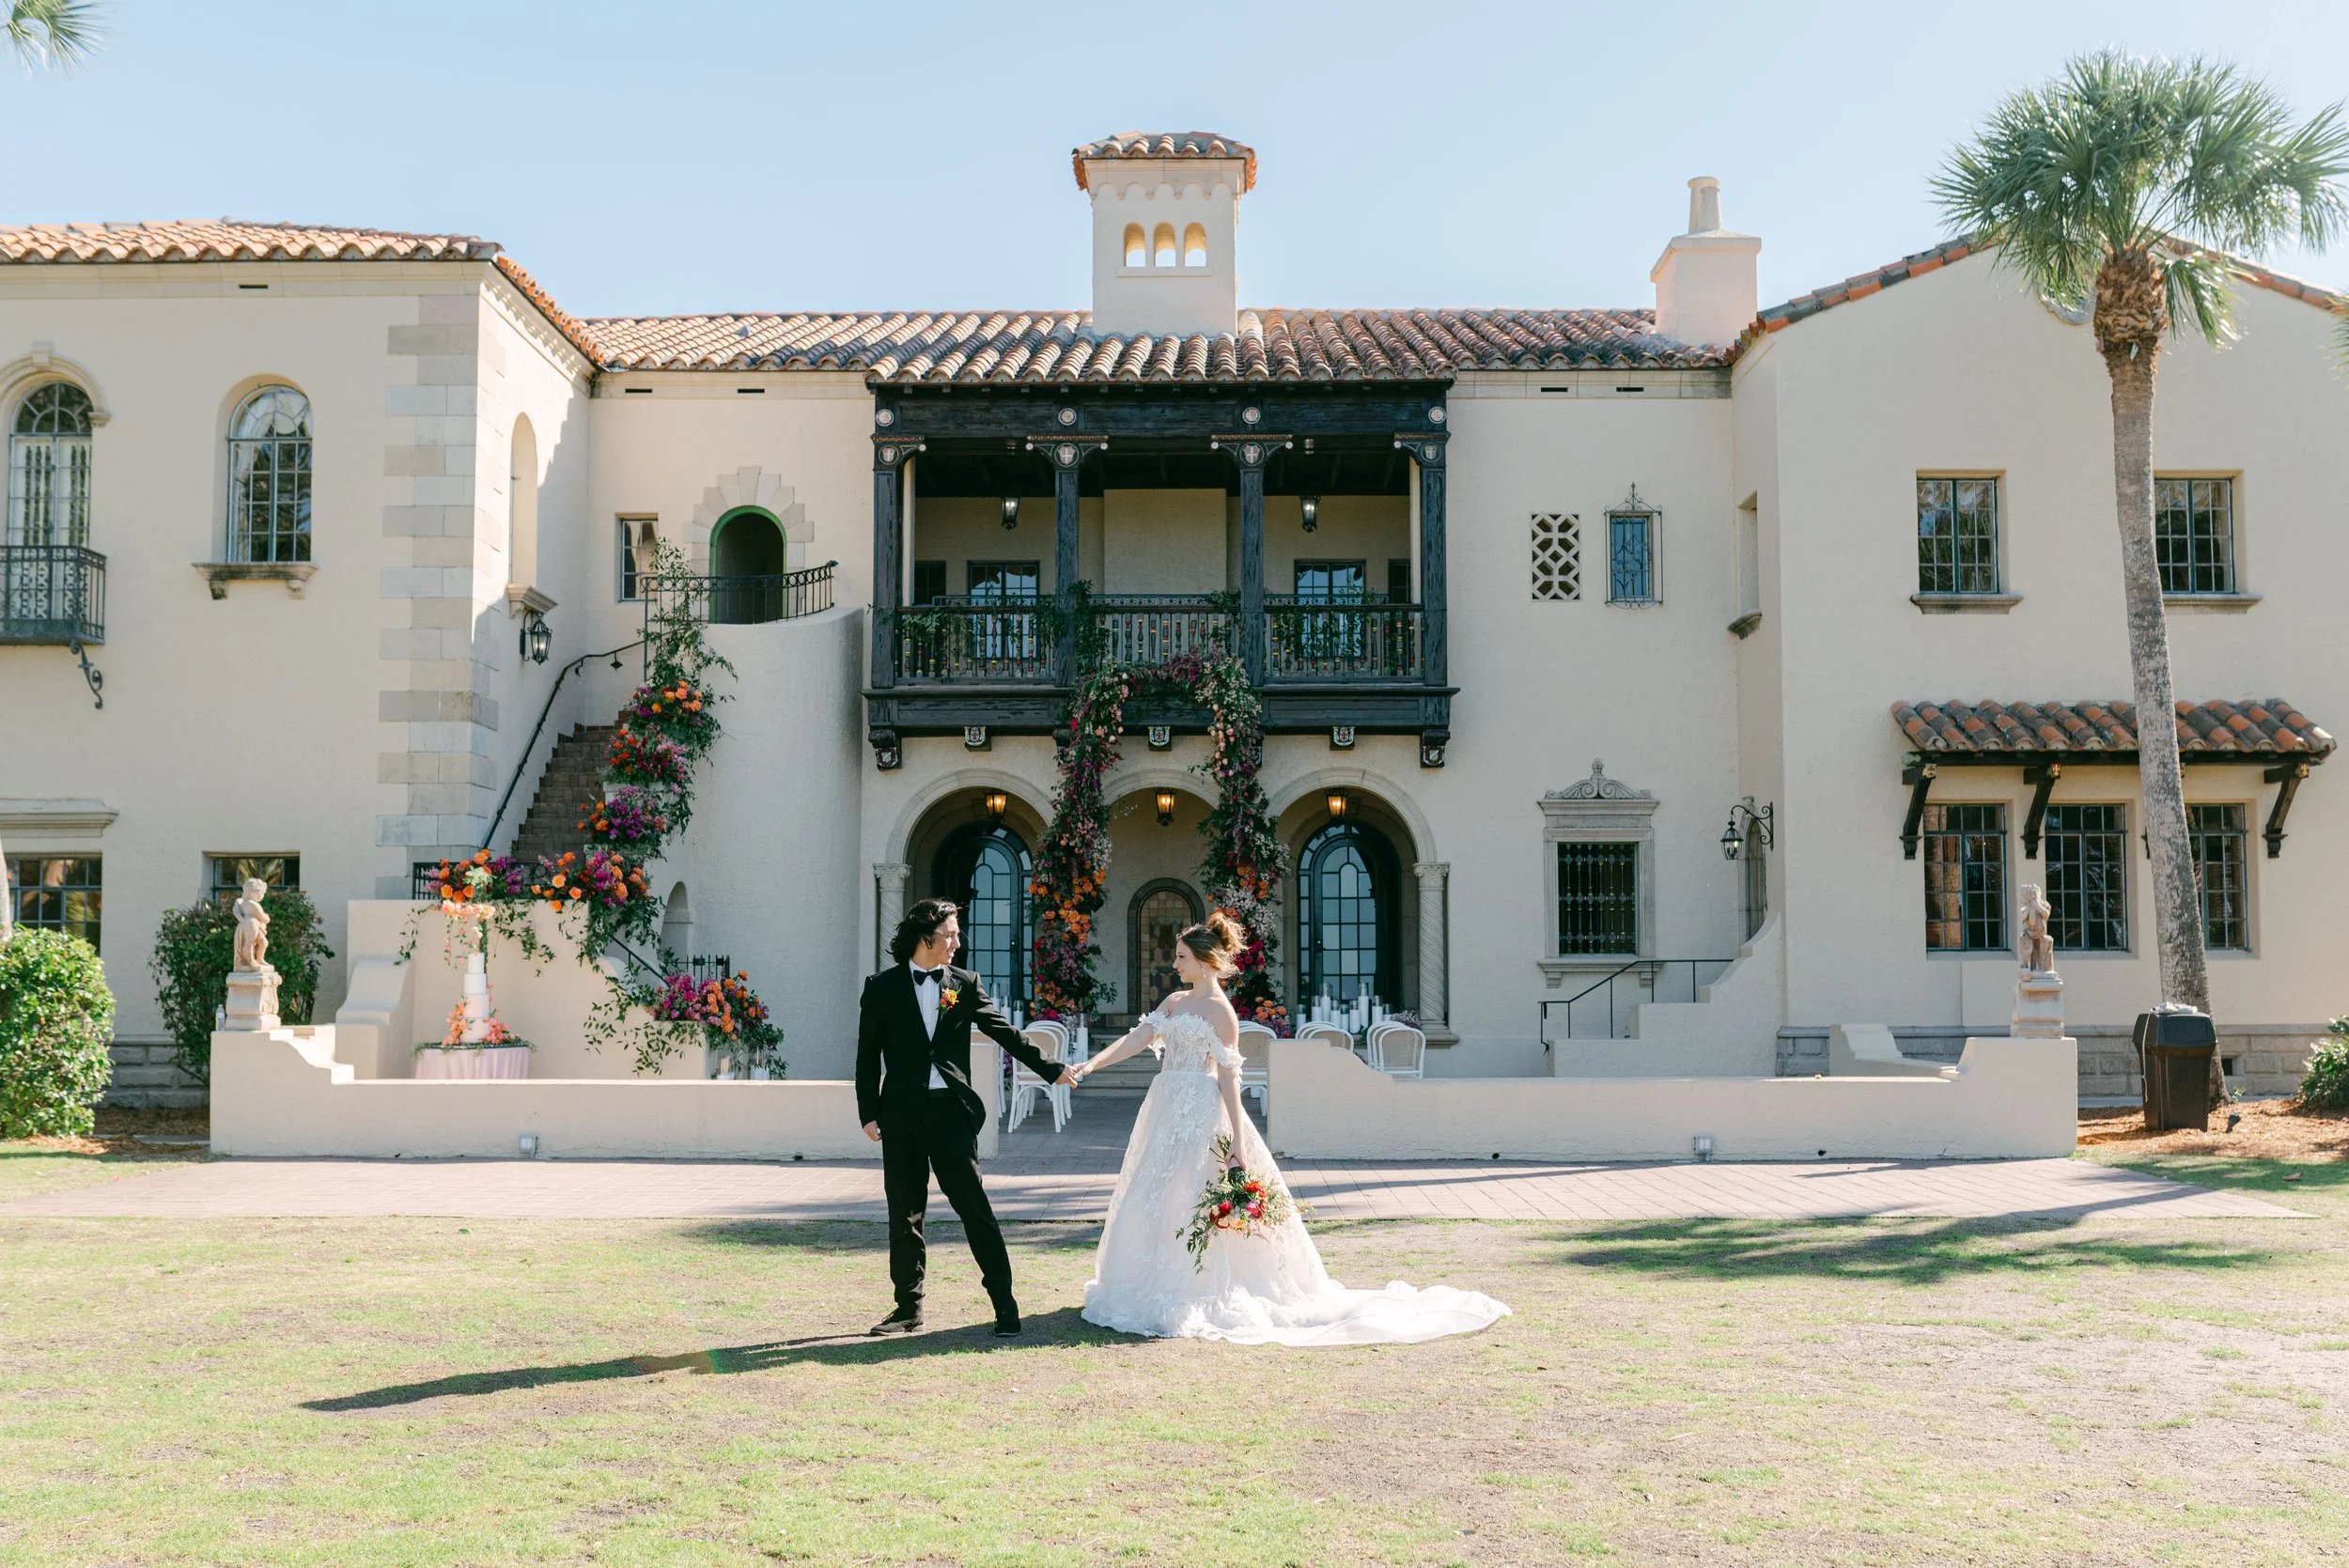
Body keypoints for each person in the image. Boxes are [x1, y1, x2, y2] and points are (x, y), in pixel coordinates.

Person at [1065, 910, 1510, 1344]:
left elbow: (1228, 1079)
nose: (1174, 964)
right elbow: (1137, 1039)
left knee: (1191, 1190)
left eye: (1181, 957)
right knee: (1156, 1190)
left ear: (1202, 962)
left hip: (1200, 1109)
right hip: (1164, 1105)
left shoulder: (1222, 1014)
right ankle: (1148, 1281)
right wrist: (1092, 1064)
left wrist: (1238, 1140)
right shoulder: (1174, 1002)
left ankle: (1194, 1288)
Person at [855, 896, 1067, 1338]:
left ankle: (1006, 1306)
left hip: (952, 1113)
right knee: (904, 1217)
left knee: (974, 1210)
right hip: (900, 1118)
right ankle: (908, 1310)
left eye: (956, 933)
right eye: (950, 933)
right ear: (925, 935)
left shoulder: (965, 983)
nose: (957, 941)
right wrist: (868, 1112)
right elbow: (866, 1057)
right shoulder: (881, 987)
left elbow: (1004, 1031)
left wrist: (1051, 1069)